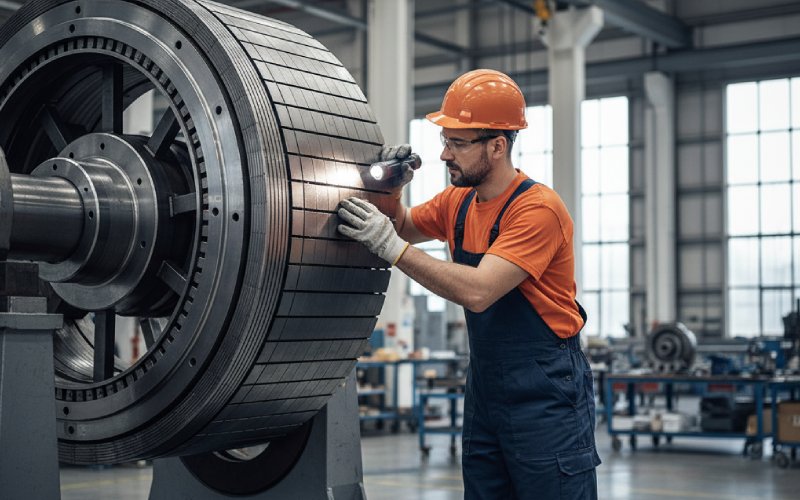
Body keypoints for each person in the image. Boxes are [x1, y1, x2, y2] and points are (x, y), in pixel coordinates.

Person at [338, 69, 600, 499]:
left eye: (458, 143)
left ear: (497, 146)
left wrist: (391, 248)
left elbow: (479, 291)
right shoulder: (457, 202)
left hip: (546, 391)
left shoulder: (537, 210)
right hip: (485, 387)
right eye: (445, 140)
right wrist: (390, 190)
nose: (445, 154)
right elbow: (400, 227)